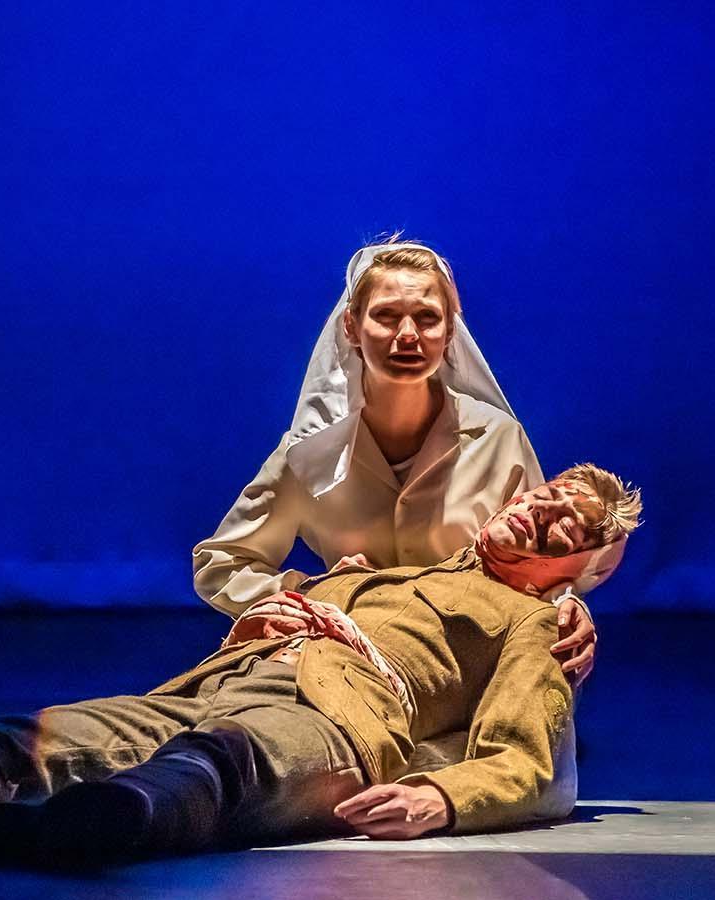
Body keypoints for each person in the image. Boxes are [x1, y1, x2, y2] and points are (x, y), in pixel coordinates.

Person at [0, 464, 639, 870]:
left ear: (579, 563)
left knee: (223, 762)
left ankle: (98, 834)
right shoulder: (386, 566)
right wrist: (281, 614)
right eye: (550, 491)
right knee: (29, 739)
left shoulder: (532, 620)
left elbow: (525, 753)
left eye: (571, 525)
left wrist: (441, 796)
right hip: (219, 682)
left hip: (335, 724)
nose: (544, 510)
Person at [194, 240, 598, 683]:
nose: (408, 334)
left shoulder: (498, 439)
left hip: (467, 669)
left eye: (427, 318)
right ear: (351, 326)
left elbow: (545, 561)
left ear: (449, 334)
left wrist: (567, 603)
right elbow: (222, 562)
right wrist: (309, 594)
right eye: (386, 316)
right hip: (350, 664)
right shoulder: (312, 451)